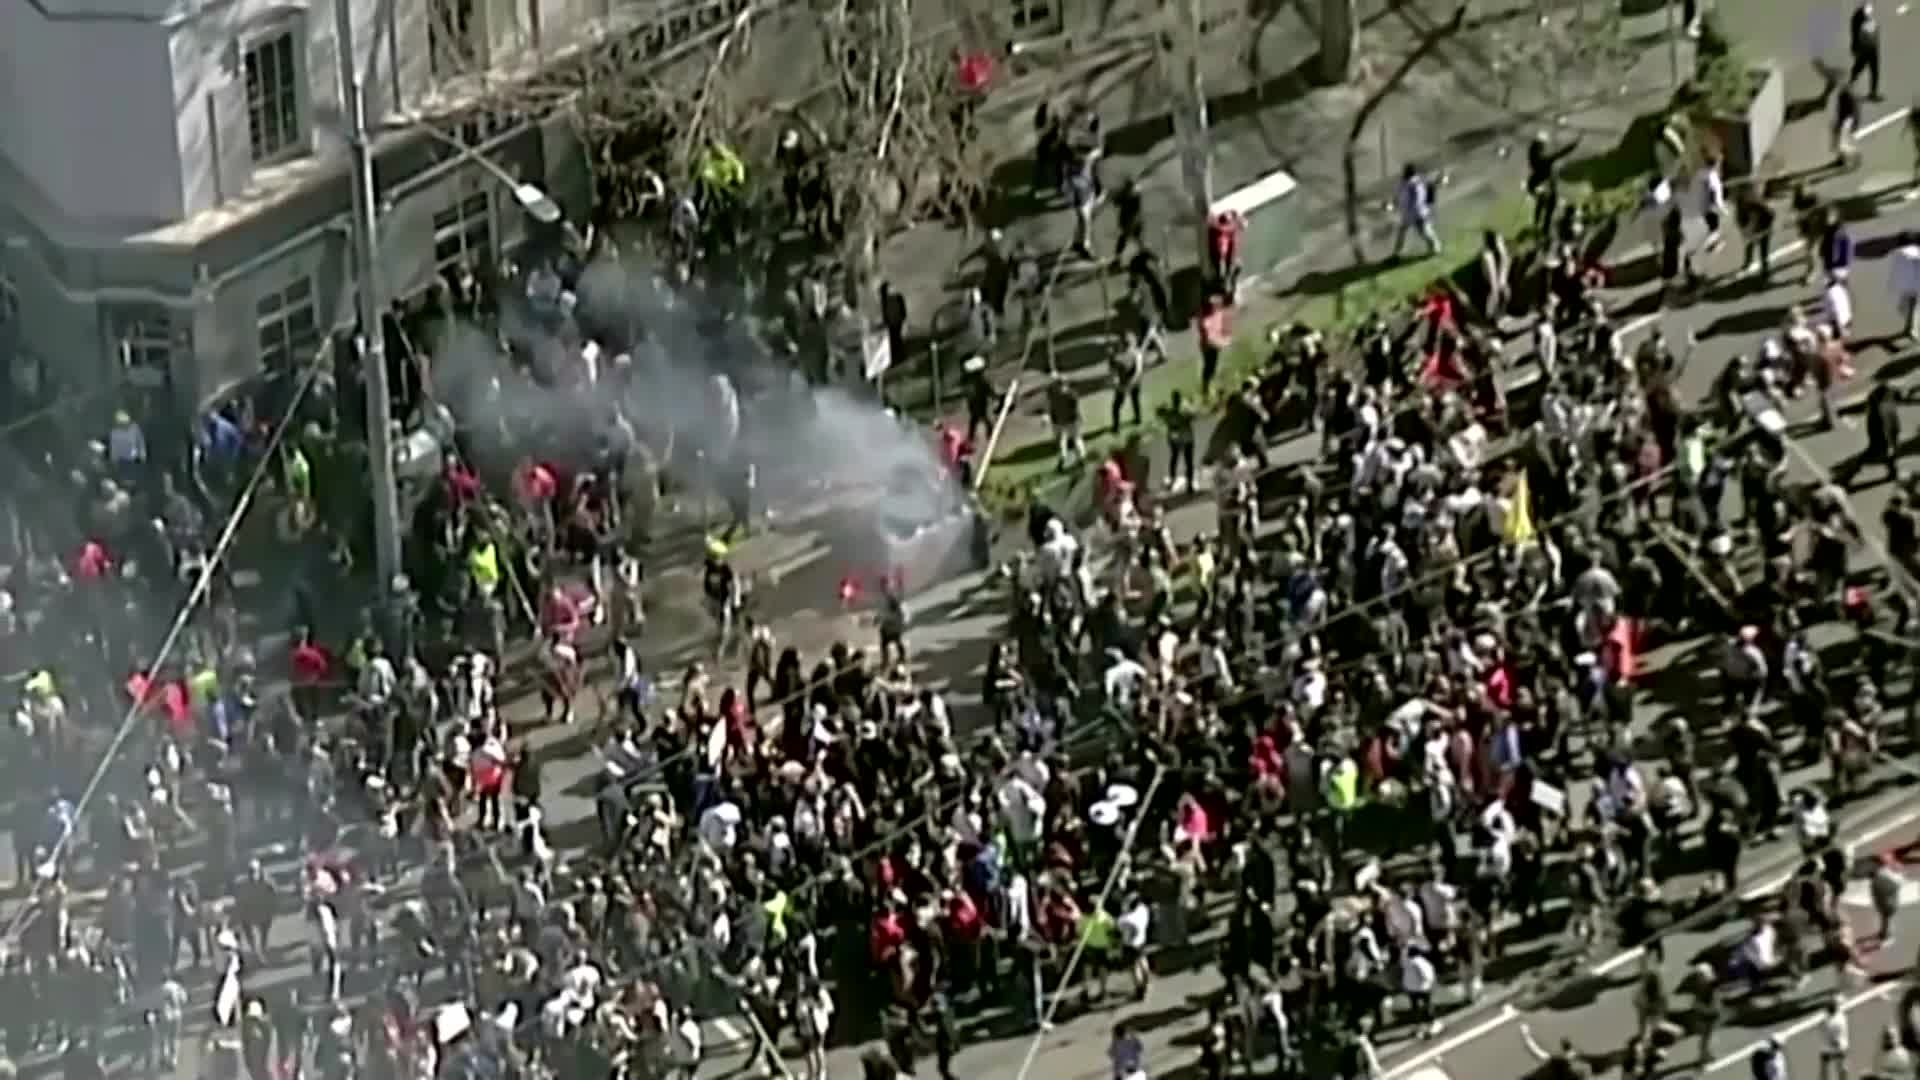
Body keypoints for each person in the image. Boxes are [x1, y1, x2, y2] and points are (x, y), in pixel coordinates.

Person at [1393, 163, 1441, 258]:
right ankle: (1398, 252)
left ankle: (1436, 248)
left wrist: (1414, 211)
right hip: (1408, 214)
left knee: (1424, 232)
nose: (1404, 173)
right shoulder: (1405, 182)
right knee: (1402, 231)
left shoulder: (1414, 183)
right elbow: (1401, 195)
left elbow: (1418, 198)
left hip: (1417, 213)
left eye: (1406, 171)